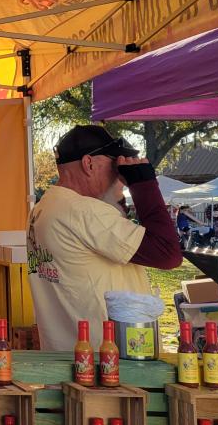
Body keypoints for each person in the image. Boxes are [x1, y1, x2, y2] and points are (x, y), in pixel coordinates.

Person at [27, 125, 182, 351]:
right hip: (107, 359)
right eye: (114, 165)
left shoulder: (44, 208)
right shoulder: (83, 211)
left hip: (68, 352)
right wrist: (143, 185)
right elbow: (168, 254)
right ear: (89, 163)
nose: (119, 175)